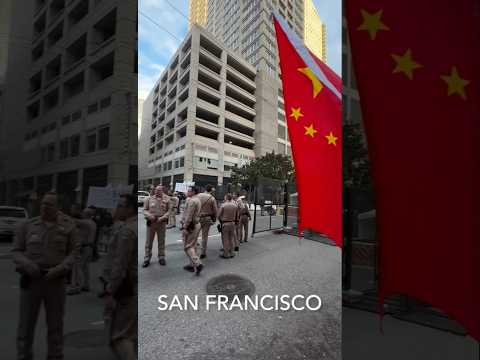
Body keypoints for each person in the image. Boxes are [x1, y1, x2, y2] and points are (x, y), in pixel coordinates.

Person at [11, 192, 81, 360]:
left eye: (49, 204)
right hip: (31, 280)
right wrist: (27, 265)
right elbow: (16, 251)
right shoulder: (28, 225)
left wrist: (60, 268)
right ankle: (23, 355)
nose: (44, 207)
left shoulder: (69, 227)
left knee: (55, 325)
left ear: (58, 208)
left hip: (55, 281)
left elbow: (74, 252)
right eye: (43, 203)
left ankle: (55, 355)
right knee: (26, 325)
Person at [104, 194, 138, 360]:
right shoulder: (129, 226)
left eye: (120, 206)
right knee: (131, 334)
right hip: (135, 288)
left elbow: (120, 264)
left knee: (120, 337)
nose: (117, 209)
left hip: (128, 290)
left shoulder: (127, 231)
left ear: (129, 208)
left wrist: (110, 290)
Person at [67, 205, 97, 295]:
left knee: (77, 267)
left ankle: (76, 286)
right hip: (89, 247)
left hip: (83, 248)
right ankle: (86, 285)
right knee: (85, 268)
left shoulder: (86, 223)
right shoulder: (93, 223)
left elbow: (72, 220)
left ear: (87, 214)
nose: (82, 214)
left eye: (83, 213)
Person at [143, 185, 170, 267]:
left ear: (162, 191)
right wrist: (149, 215)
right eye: (156, 190)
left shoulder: (167, 199)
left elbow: (169, 211)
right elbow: (144, 210)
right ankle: (147, 258)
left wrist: (162, 218)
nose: (156, 191)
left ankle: (161, 257)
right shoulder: (148, 199)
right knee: (149, 241)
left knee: (161, 241)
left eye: (159, 190)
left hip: (161, 222)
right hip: (151, 222)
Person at [180, 186, 203, 275]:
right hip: (195, 224)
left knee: (188, 246)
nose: (187, 192)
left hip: (191, 226)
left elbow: (189, 216)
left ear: (193, 192)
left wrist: (185, 227)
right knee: (193, 246)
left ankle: (197, 264)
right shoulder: (196, 199)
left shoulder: (193, 201)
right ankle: (192, 264)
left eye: (189, 191)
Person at [196, 184, 218, 259]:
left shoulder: (198, 195)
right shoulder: (212, 198)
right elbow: (215, 211)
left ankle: (193, 250)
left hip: (197, 218)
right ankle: (203, 252)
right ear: (211, 190)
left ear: (205, 189)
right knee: (204, 236)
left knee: (195, 234)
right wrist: (214, 219)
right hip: (207, 218)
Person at [218, 193, 238, 259]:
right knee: (231, 238)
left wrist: (221, 221)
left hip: (225, 223)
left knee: (225, 239)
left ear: (226, 198)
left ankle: (226, 254)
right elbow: (237, 216)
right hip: (232, 223)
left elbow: (218, 215)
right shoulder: (235, 205)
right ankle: (232, 253)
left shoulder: (223, 205)